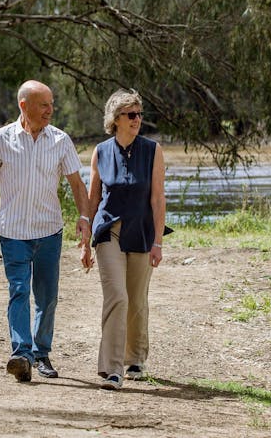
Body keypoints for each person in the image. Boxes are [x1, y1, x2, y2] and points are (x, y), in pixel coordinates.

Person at [0, 80, 92, 383]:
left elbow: (76, 184)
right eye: (44, 104)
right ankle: (22, 353)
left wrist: (84, 218)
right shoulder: (1, 139)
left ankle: (41, 353)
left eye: (51, 104)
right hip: (13, 231)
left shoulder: (60, 140)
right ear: (24, 105)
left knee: (46, 297)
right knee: (18, 290)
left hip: (49, 231)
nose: (50, 110)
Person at [81, 88, 169, 391]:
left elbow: (158, 199)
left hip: (143, 231)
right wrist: (85, 240)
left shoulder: (152, 150)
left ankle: (135, 358)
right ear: (115, 119)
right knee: (117, 296)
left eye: (139, 114)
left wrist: (158, 241)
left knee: (136, 300)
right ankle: (112, 368)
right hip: (109, 232)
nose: (137, 119)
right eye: (131, 114)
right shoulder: (101, 151)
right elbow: (93, 199)